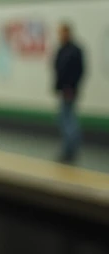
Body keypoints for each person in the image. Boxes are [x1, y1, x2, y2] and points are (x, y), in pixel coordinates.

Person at [53, 22, 86, 163]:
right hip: (64, 89)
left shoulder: (73, 50)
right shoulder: (63, 49)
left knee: (68, 120)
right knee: (65, 119)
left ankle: (70, 150)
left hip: (69, 89)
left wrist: (70, 87)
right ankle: (68, 149)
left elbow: (78, 70)